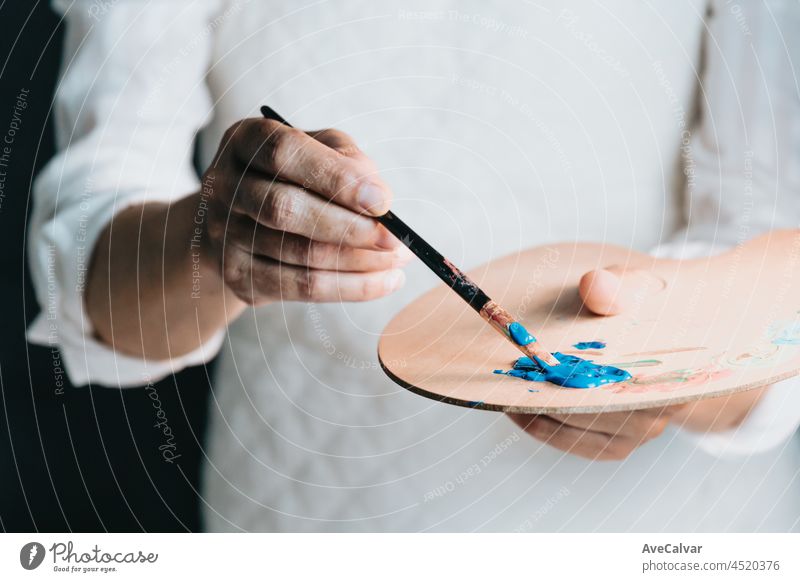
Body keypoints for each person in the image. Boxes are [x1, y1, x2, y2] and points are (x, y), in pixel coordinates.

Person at [30, 0, 800, 531]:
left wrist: (681, 368)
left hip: (670, 527)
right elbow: (93, 279)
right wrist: (212, 248)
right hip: (309, 512)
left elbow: (779, 230)